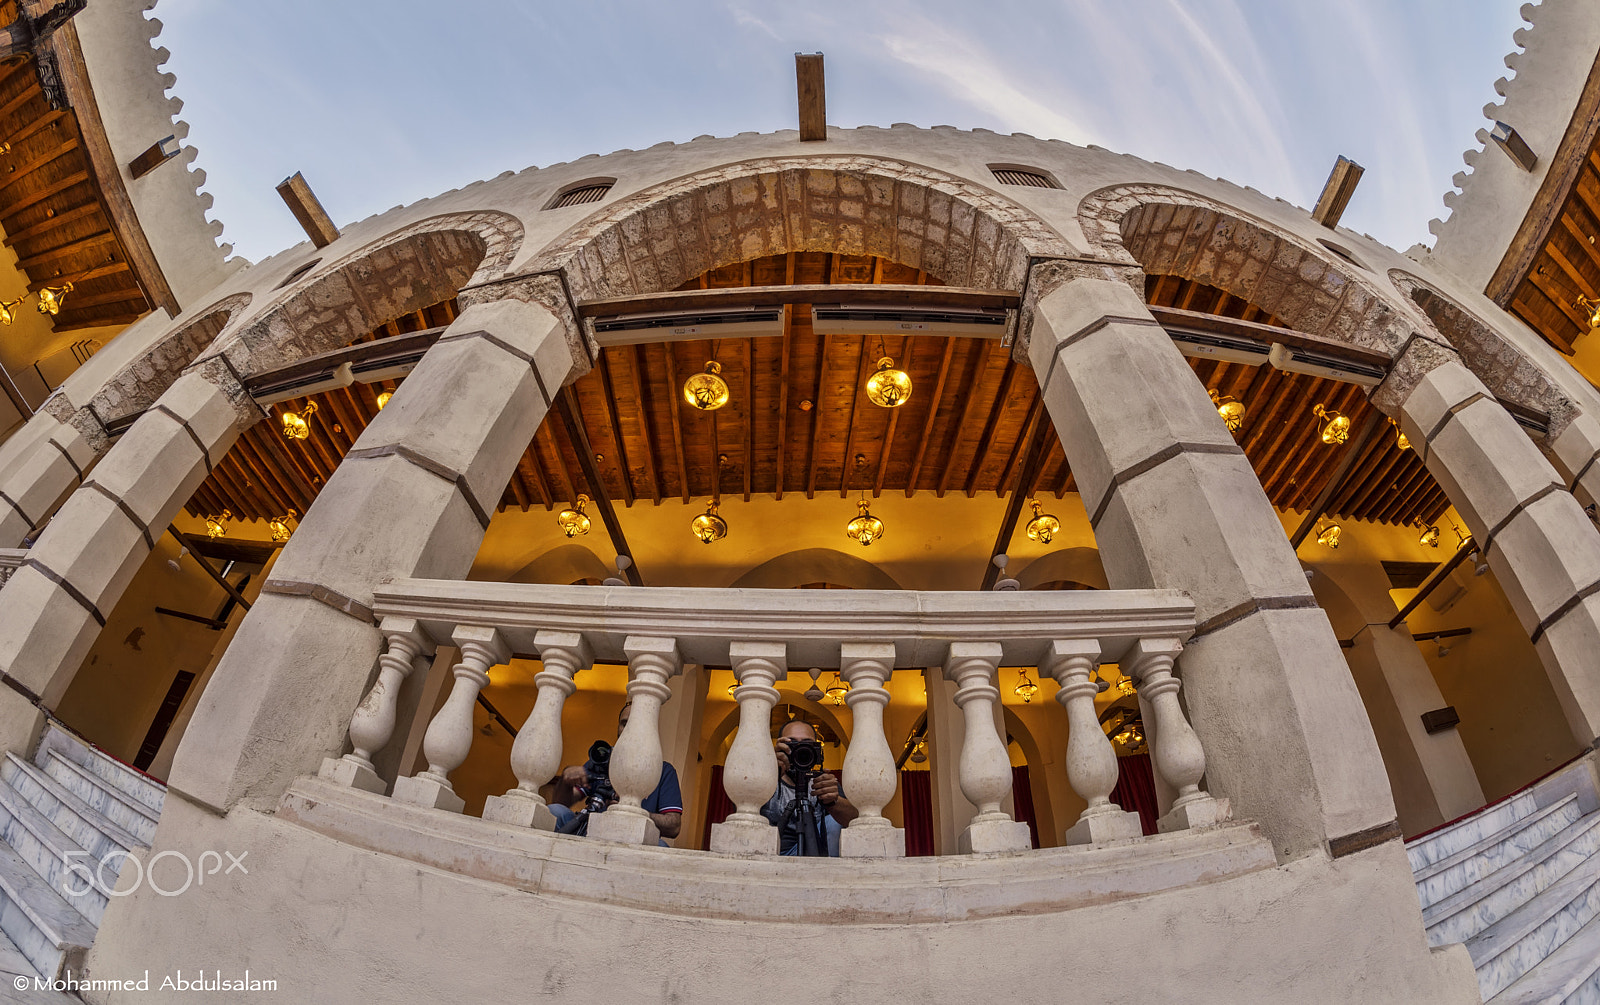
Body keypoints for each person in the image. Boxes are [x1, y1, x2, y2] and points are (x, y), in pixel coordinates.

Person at [549, 701, 683, 842]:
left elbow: (673, 826)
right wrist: (565, 781)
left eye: (635, 724)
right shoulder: (603, 759)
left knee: (661, 847)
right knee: (556, 811)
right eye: (624, 723)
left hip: (633, 841)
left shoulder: (664, 771)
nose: (628, 729)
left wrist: (633, 812)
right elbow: (561, 803)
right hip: (589, 832)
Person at [761, 719, 858, 856]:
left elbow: (855, 820)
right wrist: (770, 776)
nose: (800, 750)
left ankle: (826, 874)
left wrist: (832, 802)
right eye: (792, 744)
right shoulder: (765, 778)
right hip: (770, 853)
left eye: (807, 744)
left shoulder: (823, 781)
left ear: (817, 750)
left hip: (815, 851)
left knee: (833, 822)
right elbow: (742, 810)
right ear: (779, 747)